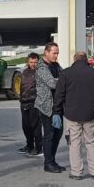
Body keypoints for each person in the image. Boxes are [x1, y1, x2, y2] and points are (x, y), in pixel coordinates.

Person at [53, 51, 94, 180]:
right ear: (86, 59)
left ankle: (76, 172)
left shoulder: (66, 73)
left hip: (72, 114)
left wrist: (57, 111)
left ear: (74, 59)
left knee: (74, 143)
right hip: (90, 114)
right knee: (92, 142)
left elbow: (59, 94)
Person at [36, 42, 65, 173]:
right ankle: (48, 163)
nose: (56, 56)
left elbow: (65, 77)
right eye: (54, 53)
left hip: (57, 106)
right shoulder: (42, 67)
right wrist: (62, 81)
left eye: (57, 53)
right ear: (46, 52)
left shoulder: (56, 66)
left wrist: (62, 80)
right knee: (49, 134)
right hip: (46, 106)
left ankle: (52, 160)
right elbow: (52, 83)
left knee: (58, 133)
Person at [18, 52, 43, 156]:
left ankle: (38, 148)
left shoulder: (41, 72)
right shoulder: (24, 72)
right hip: (24, 102)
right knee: (26, 126)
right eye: (31, 62)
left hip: (35, 103)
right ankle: (29, 146)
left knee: (36, 126)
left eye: (35, 62)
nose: (33, 64)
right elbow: (22, 87)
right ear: (28, 62)